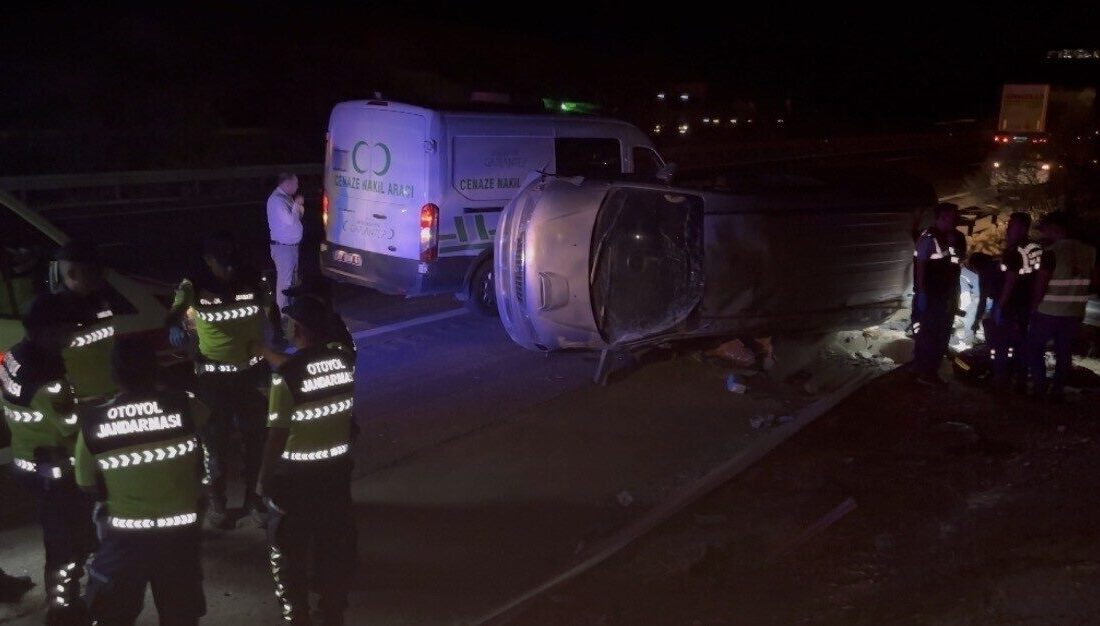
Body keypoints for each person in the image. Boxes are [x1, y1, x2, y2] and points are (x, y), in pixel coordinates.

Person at [76, 337, 208, 626]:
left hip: (125, 540)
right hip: (179, 535)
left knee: (112, 613)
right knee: (181, 614)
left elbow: (86, 484)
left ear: (113, 374)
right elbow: (203, 420)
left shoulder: (94, 421)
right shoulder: (186, 406)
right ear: (155, 369)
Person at [258, 297, 357, 626]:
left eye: (288, 322)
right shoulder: (344, 360)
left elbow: (276, 436)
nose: (285, 327)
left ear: (297, 329)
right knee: (332, 543)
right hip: (336, 472)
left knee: (287, 551)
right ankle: (332, 611)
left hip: (295, 479)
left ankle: (296, 615)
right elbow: (308, 363)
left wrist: (263, 480)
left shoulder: (284, 378)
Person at [165, 233, 273, 528]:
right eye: (221, 265)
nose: (227, 271)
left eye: (231, 265)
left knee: (257, 440)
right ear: (208, 261)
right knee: (215, 444)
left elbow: (269, 312)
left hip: (251, 376)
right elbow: (173, 314)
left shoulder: (253, 278)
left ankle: (254, 499)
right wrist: (176, 326)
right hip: (213, 380)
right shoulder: (194, 285)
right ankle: (218, 503)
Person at [1, 293, 95, 625]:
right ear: (47, 331)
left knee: (60, 538)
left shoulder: (14, 355)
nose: (72, 336)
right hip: (55, 470)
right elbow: (70, 425)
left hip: (26, 458)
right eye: (67, 330)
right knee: (67, 544)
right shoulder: (49, 379)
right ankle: (63, 609)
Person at [1026, 211, 1098, 402]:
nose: (1045, 234)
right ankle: (1057, 390)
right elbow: (1095, 282)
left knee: (1035, 349)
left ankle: (1040, 389)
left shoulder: (1052, 252)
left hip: (1048, 311)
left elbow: (1041, 283)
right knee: (1063, 353)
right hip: (1074, 312)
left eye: (1047, 230)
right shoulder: (1090, 251)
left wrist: (1034, 306)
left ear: (1056, 229)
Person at [911, 202, 968, 386]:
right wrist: (922, 293)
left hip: (949, 293)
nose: (954, 221)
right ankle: (924, 372)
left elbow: (957, 262)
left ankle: (928, 370)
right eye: (951, 217)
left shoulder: (958, 237)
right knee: (929, 334)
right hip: (932, 295)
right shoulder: (929, 237)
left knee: (942, 334)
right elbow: (920, 265)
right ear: (941, 218)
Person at [54, 241, 117, 402]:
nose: (102, 274)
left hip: (107, 390)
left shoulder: (96, 299)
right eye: (93, 270)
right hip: (84, 398)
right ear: (73, 274)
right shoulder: (54, 311)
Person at [990, 212, 1043, 387]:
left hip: (1010, 306)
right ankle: (1020, 379)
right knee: (1022, 343)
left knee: (1002, 343)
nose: (1008, 229)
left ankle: (1000, 378)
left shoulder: (1014, 251)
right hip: (1027, 304)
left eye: (1011, 225)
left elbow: (1010, 281)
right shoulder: (1036, 248)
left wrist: (999, 306)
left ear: (1021, 228)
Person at [267, 173, 304, 314]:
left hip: (291, 247)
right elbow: (291, 220)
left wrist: (297, 207)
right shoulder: (277, 200)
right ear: (287, 183)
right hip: (283, 248)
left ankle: (289, 312)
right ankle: (281, 316)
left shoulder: (285, 198)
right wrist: (297, 205)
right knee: (285, 282)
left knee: (291, 281)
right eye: (296, 183)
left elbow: (298, 215)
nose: (298, 186)